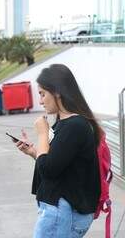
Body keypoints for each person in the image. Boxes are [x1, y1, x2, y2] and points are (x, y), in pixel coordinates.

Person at [15, 64, 101, 237]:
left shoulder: (75, 126)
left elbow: (48, 170)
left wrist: (42, 134)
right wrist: (34, 152)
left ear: (57, 92)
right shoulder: (65, 123)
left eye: (42, 94)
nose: (40, 101)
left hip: (61, 211)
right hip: (59, 210)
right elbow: (58, 163)